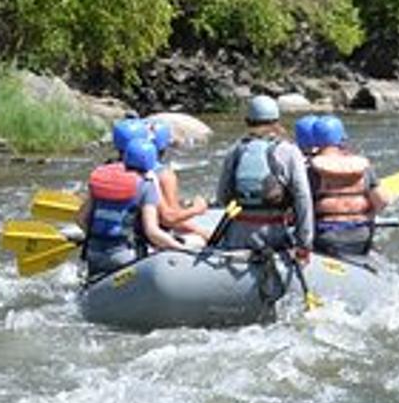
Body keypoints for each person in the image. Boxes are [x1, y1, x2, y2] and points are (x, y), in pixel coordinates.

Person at [211, 94, 314, 256]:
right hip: (273, 235)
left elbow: (222, 197)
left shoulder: (235, 150)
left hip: (237, 236)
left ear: (247, 122)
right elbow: (303, 197)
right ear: (276, 121)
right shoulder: (289, 151)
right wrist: (304, 242)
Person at [78, 135, 191, 275]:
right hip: (123, 257)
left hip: (92, 253)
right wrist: (182, 250)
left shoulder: (103, 181)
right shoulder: (146, 185)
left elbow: (81, 219)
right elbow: (153, 232)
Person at [308, 115, 398, 258]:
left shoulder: (311, 171)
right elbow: (383, 201)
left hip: (326, 239)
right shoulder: (363, 168)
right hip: (361, 237)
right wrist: (369, 215)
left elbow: (302, 208)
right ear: (341, 139)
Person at [150, 119, 211, 236]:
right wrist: (197, 209)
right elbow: (170, 219)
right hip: (151, 240)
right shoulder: (163, 175)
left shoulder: (112, 167)